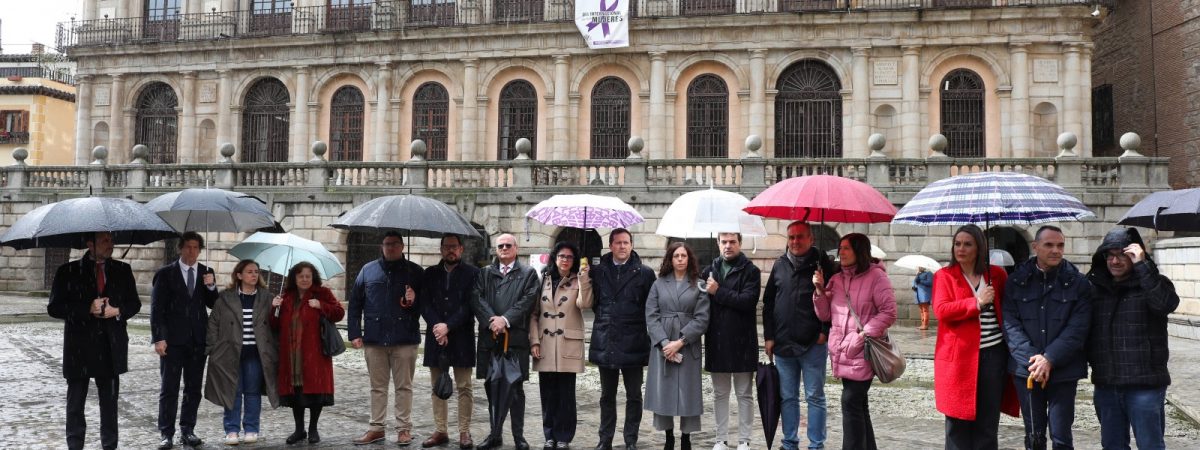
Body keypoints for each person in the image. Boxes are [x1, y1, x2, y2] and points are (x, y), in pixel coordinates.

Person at [1087, 227, 1179, 450]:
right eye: (1110, 255)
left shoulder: (1155, 283)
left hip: (1144, 387)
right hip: (1107, 384)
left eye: (1123, 255)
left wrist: (1143, 266)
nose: (1115, 261)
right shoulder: (1094, 288)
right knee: (1112, 446)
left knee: (1150, 446)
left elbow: (1165, 304)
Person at [48, 231, 140, 450]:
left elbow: (134, 304)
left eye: (111, 240)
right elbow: (54, 308)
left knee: (109, 405)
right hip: (78, 349)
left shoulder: (122, 270)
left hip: (110, 347)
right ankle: (75, 445)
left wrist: (117, 310)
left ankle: (110, 446)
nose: (111, 244)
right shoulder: (67, 271)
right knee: (75, 405)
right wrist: (86, 308)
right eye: (105, 241)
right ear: (90, 244)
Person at [1002, 225, 1091, 450]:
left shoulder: (1079, 283)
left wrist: (1049, 358)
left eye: (1060, 245)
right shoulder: (1015, 282)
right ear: (1035, 247)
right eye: (1049, 245)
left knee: (1061, 436)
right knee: (1034, 436)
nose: (1056, 250)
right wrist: (1034, 360)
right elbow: (1011, 326)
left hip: (1063, 370)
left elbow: (1077, 329)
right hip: (1028, 370)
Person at [932, 225, 1020, 450]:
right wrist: (977, 303)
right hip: (957, 359)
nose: (961, 248)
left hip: (993, 356)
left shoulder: (996, 275)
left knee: (987, 423)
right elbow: (942, 310)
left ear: (979, 247)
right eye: (957, 243)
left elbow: (1010, 310)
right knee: (957, 424)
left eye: (968, 244)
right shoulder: (944, 276)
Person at [813, 233, 896, 450]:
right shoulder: (837, 279)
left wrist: (862, 335)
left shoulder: (877, 277)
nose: (841, 252)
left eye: (846, 248)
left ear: (860, 250)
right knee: (859, 406)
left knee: (850, 402)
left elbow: (889, 312)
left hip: (863, 352)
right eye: (840, 248)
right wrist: (820, 290)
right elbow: (825, 315)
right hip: (843, 353)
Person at [762, 221, 837, 450]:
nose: (795, 241)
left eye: (800, 237)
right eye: (792, 237)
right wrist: (769, 336)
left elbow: (835, 302)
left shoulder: (824, 264)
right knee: (788, 397)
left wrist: (825, 331)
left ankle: (816, 444)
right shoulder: (780, 264)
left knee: (814, 396)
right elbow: (768, 303)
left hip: (813, 343)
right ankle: (789, 442)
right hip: (783, 343)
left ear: (811, 239)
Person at [348, 231, 425, 446]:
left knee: (404, 387)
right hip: (375, 338)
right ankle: (376, 428)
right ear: (382, 246)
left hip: (405, 339)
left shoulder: (415, 272)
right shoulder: (368, 270)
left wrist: (414, 300)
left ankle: (403, 429)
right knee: (377, 387)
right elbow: (355, 303)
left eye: (394, 244)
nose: (390, 247)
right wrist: (354, 332)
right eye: (386, 244)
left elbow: (427, 306)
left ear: (401, 246)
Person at [589, 228, 657, 450]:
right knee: (607, 395)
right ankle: (605, 439)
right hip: (606, 338)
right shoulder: (597, 271)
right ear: (610, 245)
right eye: (618, 243)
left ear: (631, 245)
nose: (622, 246)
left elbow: (652, 307)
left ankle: (631, 440)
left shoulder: (645, 273)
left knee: (634, 395)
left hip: (633, 341)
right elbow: (591, 302)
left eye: (626, 242)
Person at [472, 233, 541, 450]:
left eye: (508, 245)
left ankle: (518, 436)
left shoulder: (529, 274)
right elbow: (476, 298)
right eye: (500, 245)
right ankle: (495, 434)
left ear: (516, 248)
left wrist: (506, 319)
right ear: (495, 249)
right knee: (492, 386)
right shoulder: (484, 273)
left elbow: (528, 300)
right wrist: (492, 320)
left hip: (516, 340)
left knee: (516, 390)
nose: (504, 248)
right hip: (490, 339)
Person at [151, 231, 219, 450]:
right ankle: (166, 433)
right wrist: (159, 338)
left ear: (200, 250)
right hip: (172, 341)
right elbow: (157, 309)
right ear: (180, 248)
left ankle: (187, 429)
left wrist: (211, 287)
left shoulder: (207, 272)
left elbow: (213, 305)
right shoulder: (165, 274)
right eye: (188, 247)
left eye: (196, 247)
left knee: (193, 388)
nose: (192, 251)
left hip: (197, 341)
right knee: (169, 388)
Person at [203, 259, 280, 446]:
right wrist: (212, 349)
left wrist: (276, 308)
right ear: (239, 275)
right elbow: (213, 323)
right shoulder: (226, 297)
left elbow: (275, 326)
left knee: (252, 392)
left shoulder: (267, 297)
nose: (254, 275)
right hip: (230, 352)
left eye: (256, 271)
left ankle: (252, 428)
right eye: (249, 271)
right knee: (232, 392)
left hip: (255, 353)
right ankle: (231, 430)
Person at [270, 261, 346, 445]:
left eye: (308, 276)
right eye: (300, 276)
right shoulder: (286, 297)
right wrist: (274, 308)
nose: (304, 279)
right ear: (294, 278)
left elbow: (339, 313)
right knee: (296, 392)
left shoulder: (322, 293)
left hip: (315, 353)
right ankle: (299, 429)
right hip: (291, 354)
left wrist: (321, 305)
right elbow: (273, 325)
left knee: (315, 391)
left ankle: (313, 428)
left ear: (313, 278)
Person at [645, 242, 711, 450]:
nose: (680, 259)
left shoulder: (699, 284)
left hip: (687, 345)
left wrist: (680, 342)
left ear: (689, 259)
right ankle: (668, 437)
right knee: (664, 390)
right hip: (662, 345)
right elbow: (651, 315)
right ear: (670, 259)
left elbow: (702, 318)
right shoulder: (658, 284)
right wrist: (665, 343)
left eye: (684, 255)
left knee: (688, 391)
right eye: (676, 256)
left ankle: (686, 438)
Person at [530, 241, 593, 450]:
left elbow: (585, 304)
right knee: (547, 394)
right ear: (554, 258)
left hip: (568, 345)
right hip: (545, 344)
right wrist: (534, 341)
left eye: (569, 257)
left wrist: (584, 277)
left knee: (566, 395)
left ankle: (564, 436)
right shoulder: (543, 280)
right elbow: (535, 314)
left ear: (574, 260)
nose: (565, 260)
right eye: (561, 256)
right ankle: (549, 435)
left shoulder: (579, 280)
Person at [699, 233, 760, 450]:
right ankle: (721, 439)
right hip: (717, 340)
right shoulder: (709, 271)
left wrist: (719, 292)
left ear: (740, 244)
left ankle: (744, 440)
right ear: (717, 243)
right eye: (724, 242)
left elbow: (748, 301)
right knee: (720, 394)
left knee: (744, 394)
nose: (728, 246)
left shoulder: (751, 271)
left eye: (732, 242)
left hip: (743, 341)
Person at [419, 234, 481, 449]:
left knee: (464, 386)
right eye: (446, 247)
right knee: (437, 386)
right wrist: (438, 326)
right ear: (441, 249)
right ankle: (440, 430)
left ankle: (464, 431)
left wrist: (449, 326)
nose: (450, 251)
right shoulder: (430, 274)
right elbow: (424, 303)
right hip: (436, 338)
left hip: (461, 336)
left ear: (461, 249)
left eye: (454, 247)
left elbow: (470, 305)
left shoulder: (473, 274)